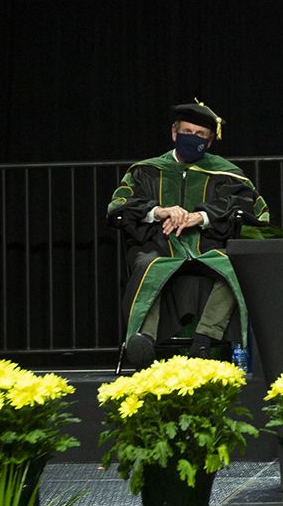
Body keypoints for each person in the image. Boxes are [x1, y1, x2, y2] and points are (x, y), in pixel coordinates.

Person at [108, 100, 271, 370]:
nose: (191, 139)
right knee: (147, 266)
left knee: (234, 268)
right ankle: (143, 341)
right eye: (186, 132)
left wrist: (201, 216)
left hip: (206, 247)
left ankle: (203, 341)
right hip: (158, 245)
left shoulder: (227, 174)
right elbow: (117, 207)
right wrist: (158, 211)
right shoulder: (145, 171)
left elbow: (248, 207)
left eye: (200, 135)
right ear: (174, 133)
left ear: (209, 142)